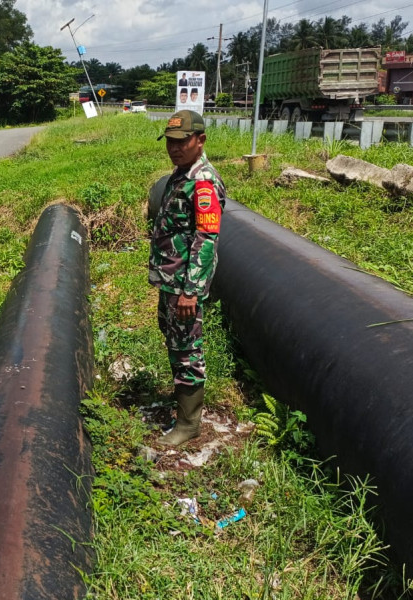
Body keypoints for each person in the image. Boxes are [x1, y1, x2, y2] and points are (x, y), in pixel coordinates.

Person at [149, 110, 227, 447]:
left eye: (182, 141)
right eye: (170, 141)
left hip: (184, 287)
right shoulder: (181, 176)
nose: (174, 148)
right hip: (171, 281)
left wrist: (190, 292)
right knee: (174, 340)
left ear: (200, 140)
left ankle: (189, 424)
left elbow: (206, 238)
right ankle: (183, 407)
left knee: (187, 350)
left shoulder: (203, 182)